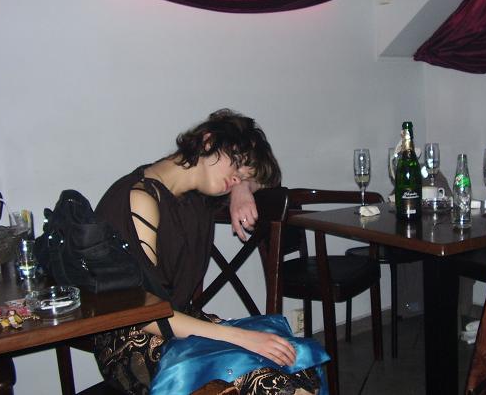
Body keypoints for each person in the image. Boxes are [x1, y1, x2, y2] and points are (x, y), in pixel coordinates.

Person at [92, 109, 327, 395]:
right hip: (134, 339)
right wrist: (240, 337)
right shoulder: (140, 199)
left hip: (182, 327)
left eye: (243, 175)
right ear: (208, 142)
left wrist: (242, 189)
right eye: (237, 165)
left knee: (295, 364)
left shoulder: (198, 196)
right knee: (266, 382)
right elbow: (141, 314)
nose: (236, 178)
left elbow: (270, 181)